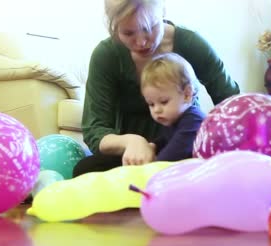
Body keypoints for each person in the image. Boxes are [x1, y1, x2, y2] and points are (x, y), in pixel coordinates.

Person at [72, 0, 240, 177]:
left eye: (149, 27)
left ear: (163, 11)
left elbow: (231, 103)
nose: (141, 42)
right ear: (114, 28)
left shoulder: (191, 44)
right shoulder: (106, 55)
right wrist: (131, 142)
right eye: (128, 33)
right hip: (132, 156)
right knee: (85, 169)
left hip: (184, 152)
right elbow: (94, 129)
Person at [140, 52, 204, 161]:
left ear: (187, 94)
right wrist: (152, 146)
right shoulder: (172, 119)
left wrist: (150, 164)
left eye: (164, 102)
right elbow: (164, 140)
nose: (157, 110)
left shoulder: (193, 120)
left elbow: (170, 157)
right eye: (151, 104)